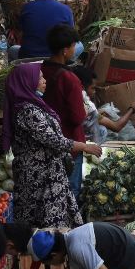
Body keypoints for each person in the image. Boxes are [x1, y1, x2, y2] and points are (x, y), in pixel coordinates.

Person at [0, 63, 101, 228]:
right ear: (28, 81)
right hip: (39, 176)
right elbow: (52, 139)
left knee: (47, 221)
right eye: (40, 77)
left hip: (48, 172)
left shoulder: (32, 105)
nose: (44, 80)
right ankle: (42, 251)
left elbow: (6, 136)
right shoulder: (28, 111)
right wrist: (84, 146)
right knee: (45, 223)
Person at [41, 24, 88, 197]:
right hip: (69, 144)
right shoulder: (69, 79)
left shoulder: (40, 71)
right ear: (64, 50)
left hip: (46, 141)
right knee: (70, 192)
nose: (75, 49)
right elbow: (77, 117)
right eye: (74, 46)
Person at [13, 0, 82, 60]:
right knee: (80, 45)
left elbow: (20, 34)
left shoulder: (26, 8)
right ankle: (67, 66)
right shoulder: (65, 10)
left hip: (28, 58)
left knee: (12, 49)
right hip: (56, 59)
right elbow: (71, 39)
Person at [71, 66, 135, 145]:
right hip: (85, 146)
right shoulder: (89, 108)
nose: (94, 92)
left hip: (75, 142)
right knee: (103, 130)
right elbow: (116, 126)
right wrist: (132, 109)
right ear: (82, 88)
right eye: (93, 88)